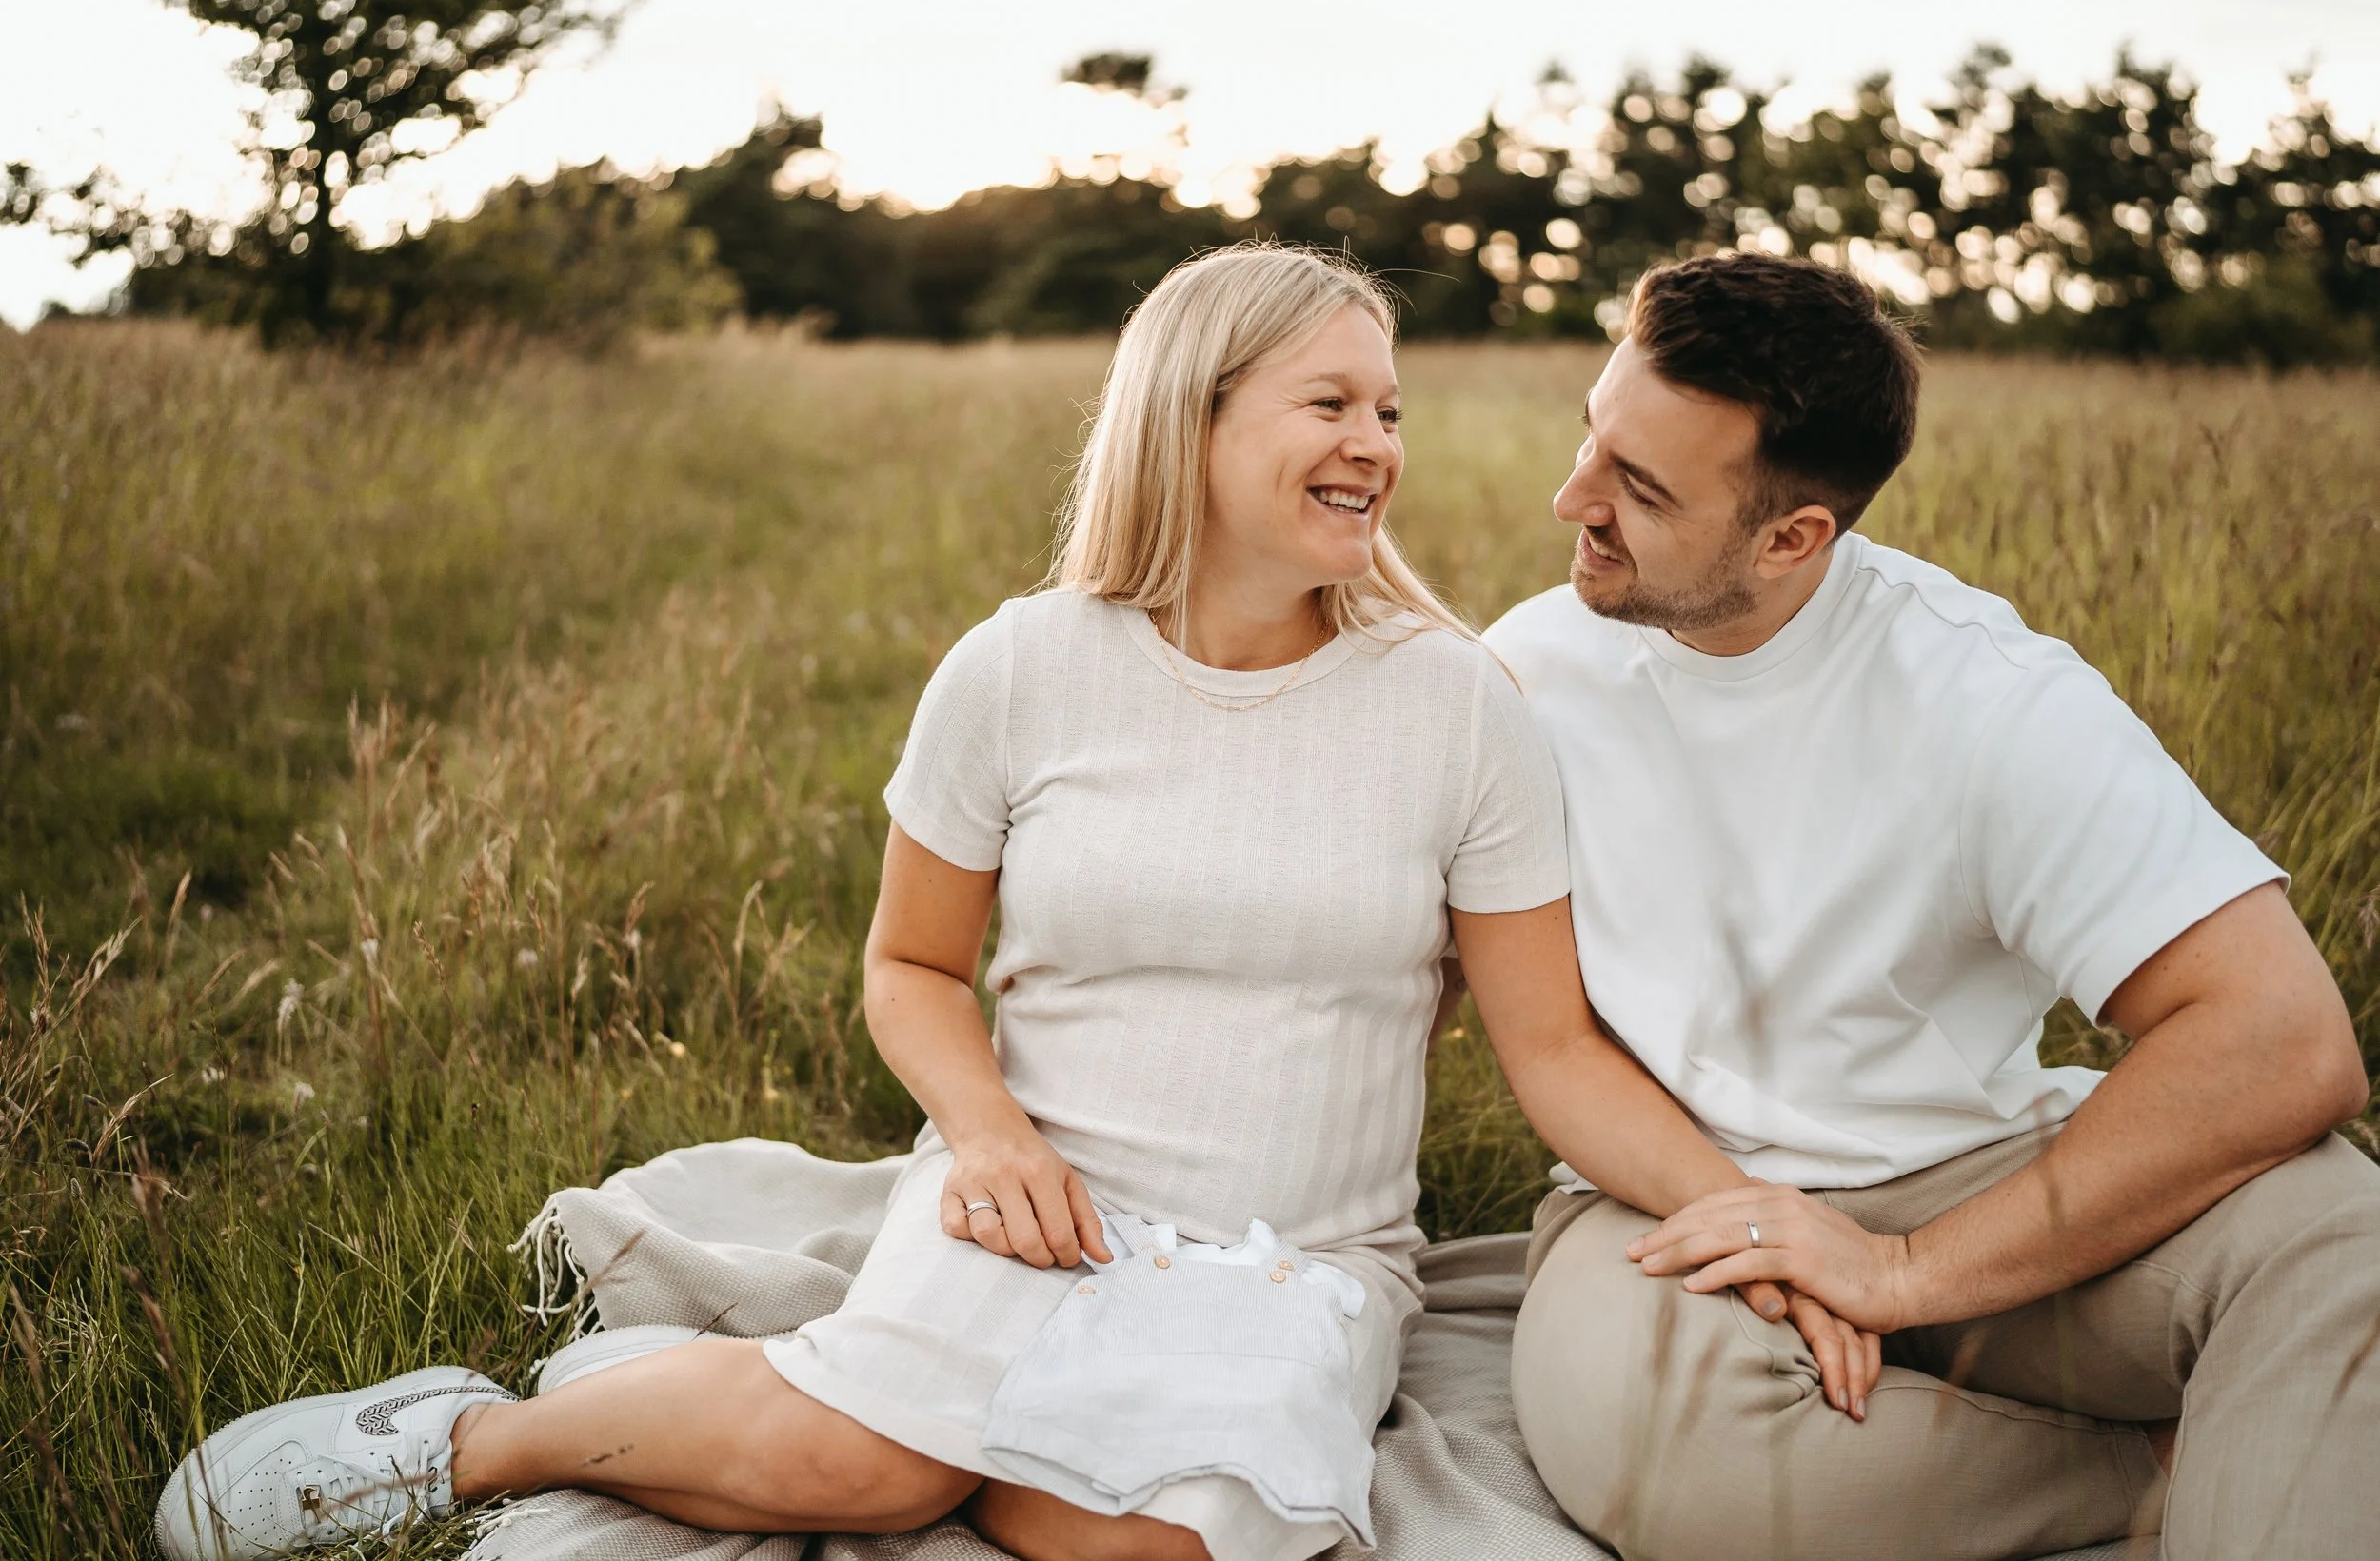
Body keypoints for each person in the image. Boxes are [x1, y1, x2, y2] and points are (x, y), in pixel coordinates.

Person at [153, 245, 1878, 1561]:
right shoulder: (1019, 668)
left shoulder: (1456, 703)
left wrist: (1762, 1220)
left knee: (1146, 1534)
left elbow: (1553, 1047)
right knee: (870, 1466)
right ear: (1192, 417)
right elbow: (910, 964)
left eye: (1392, 408)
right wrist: (982, 1136)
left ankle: (937, 1431)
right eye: (1331, 403)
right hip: (1031, 1194)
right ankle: (479, 1441)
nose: (1379, 443)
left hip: (1296, 1255)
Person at [1487, 251, 2378, 1561]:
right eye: (1591, 438)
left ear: (1795, 538)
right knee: (1660, 1441)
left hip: (1977, 1189)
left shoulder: (1991, 702)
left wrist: (1901, 1273)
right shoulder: (1530, 672)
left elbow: (2284, 1036)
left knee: (2340, 1252)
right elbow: (1554, 1041)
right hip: (1664, 1192)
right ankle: (2168, 1472)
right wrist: (1761, 1224)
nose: (1574, 499)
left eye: (1642, 488)